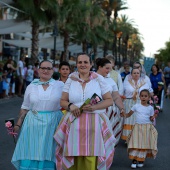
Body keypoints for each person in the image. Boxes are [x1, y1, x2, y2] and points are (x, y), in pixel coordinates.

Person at [54, 53, 116, 170]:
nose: (83, 65)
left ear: (91, 64)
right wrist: (70, 106)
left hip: (94, 123)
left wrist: (95, 107)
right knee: (72, 152)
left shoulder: (99, 79)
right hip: (73, 123)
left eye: (86, 62)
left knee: (91, 154)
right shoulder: (71, 79)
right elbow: (62, 101)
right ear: (76, 64)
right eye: (80, 62)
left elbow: (109, 100)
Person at [11, 60, 64, 170]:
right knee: (30, 150)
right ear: (38, 70)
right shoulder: (31, 86)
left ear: (53, 70)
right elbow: (25, 107)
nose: (45, 70)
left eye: (49, 68)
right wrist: (17, 125)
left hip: (52, 124)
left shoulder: (60, 85)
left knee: (49, 152)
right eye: (43, 68)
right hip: (32, 125)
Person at [123, 89, 158, 169]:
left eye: (145, 96)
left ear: (149, 97)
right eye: (142, 96)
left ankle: (141, 159)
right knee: (136, 143)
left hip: (147, 128)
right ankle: (134, 160)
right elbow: (128, 115)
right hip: (137, 127)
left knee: (143, 145)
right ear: (139, 97)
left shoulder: (150, 108)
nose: (143, 98)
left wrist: (154, 116)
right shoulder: (136, 106)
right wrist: (123, 114)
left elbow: (151, 118)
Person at [96, 58, 125, 146]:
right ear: (100, 67)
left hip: (110, 112)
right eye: (107, 68)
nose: (109, 71)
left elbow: (116, 97)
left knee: (107, 136)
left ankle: (106, 156)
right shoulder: (91, 78)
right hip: (96, 110)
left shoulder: (111, 80)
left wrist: (122, 108)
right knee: (97, 135)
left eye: (110, 68)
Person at [121, 68, 150, 141]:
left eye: (137, 73)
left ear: (140, 74)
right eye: (134, 73)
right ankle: (128, 138)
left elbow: (146, 92)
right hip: (129, 102)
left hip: (139, 103)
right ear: (131, 74)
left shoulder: (144, 82)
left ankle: (137, 138)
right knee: (129, 120)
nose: (136, 74)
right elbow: (126, 90)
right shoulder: (127, 81)